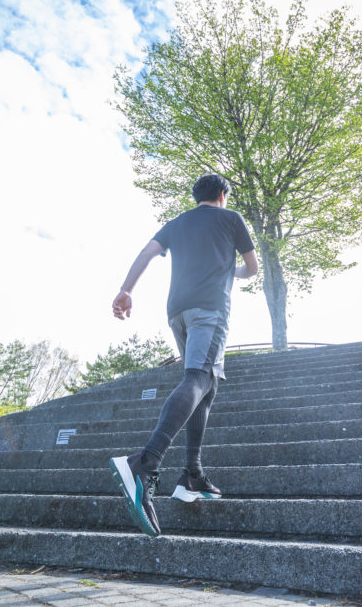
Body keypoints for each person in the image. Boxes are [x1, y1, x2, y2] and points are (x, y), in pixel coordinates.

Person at [108, 173, 259, 538]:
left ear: (198, 197)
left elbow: (146, 253)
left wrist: (126, 290)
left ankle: (192, 474)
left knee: (206, 388)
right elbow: (252, 269)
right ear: (223, 195)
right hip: (210, 310)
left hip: (177, 312)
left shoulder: (176, 223)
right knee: (199, 378)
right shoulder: (231, 218)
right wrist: (231, 270)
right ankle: (145, 462)